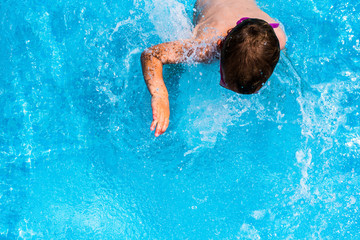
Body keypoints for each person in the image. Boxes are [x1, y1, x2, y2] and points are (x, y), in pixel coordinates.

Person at [141, 0, 287, 137]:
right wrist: (160, 95)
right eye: (224, 80)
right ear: (220, 45)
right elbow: (151, 55)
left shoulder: (278, 37)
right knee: (177, 68)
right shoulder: (205, 48)